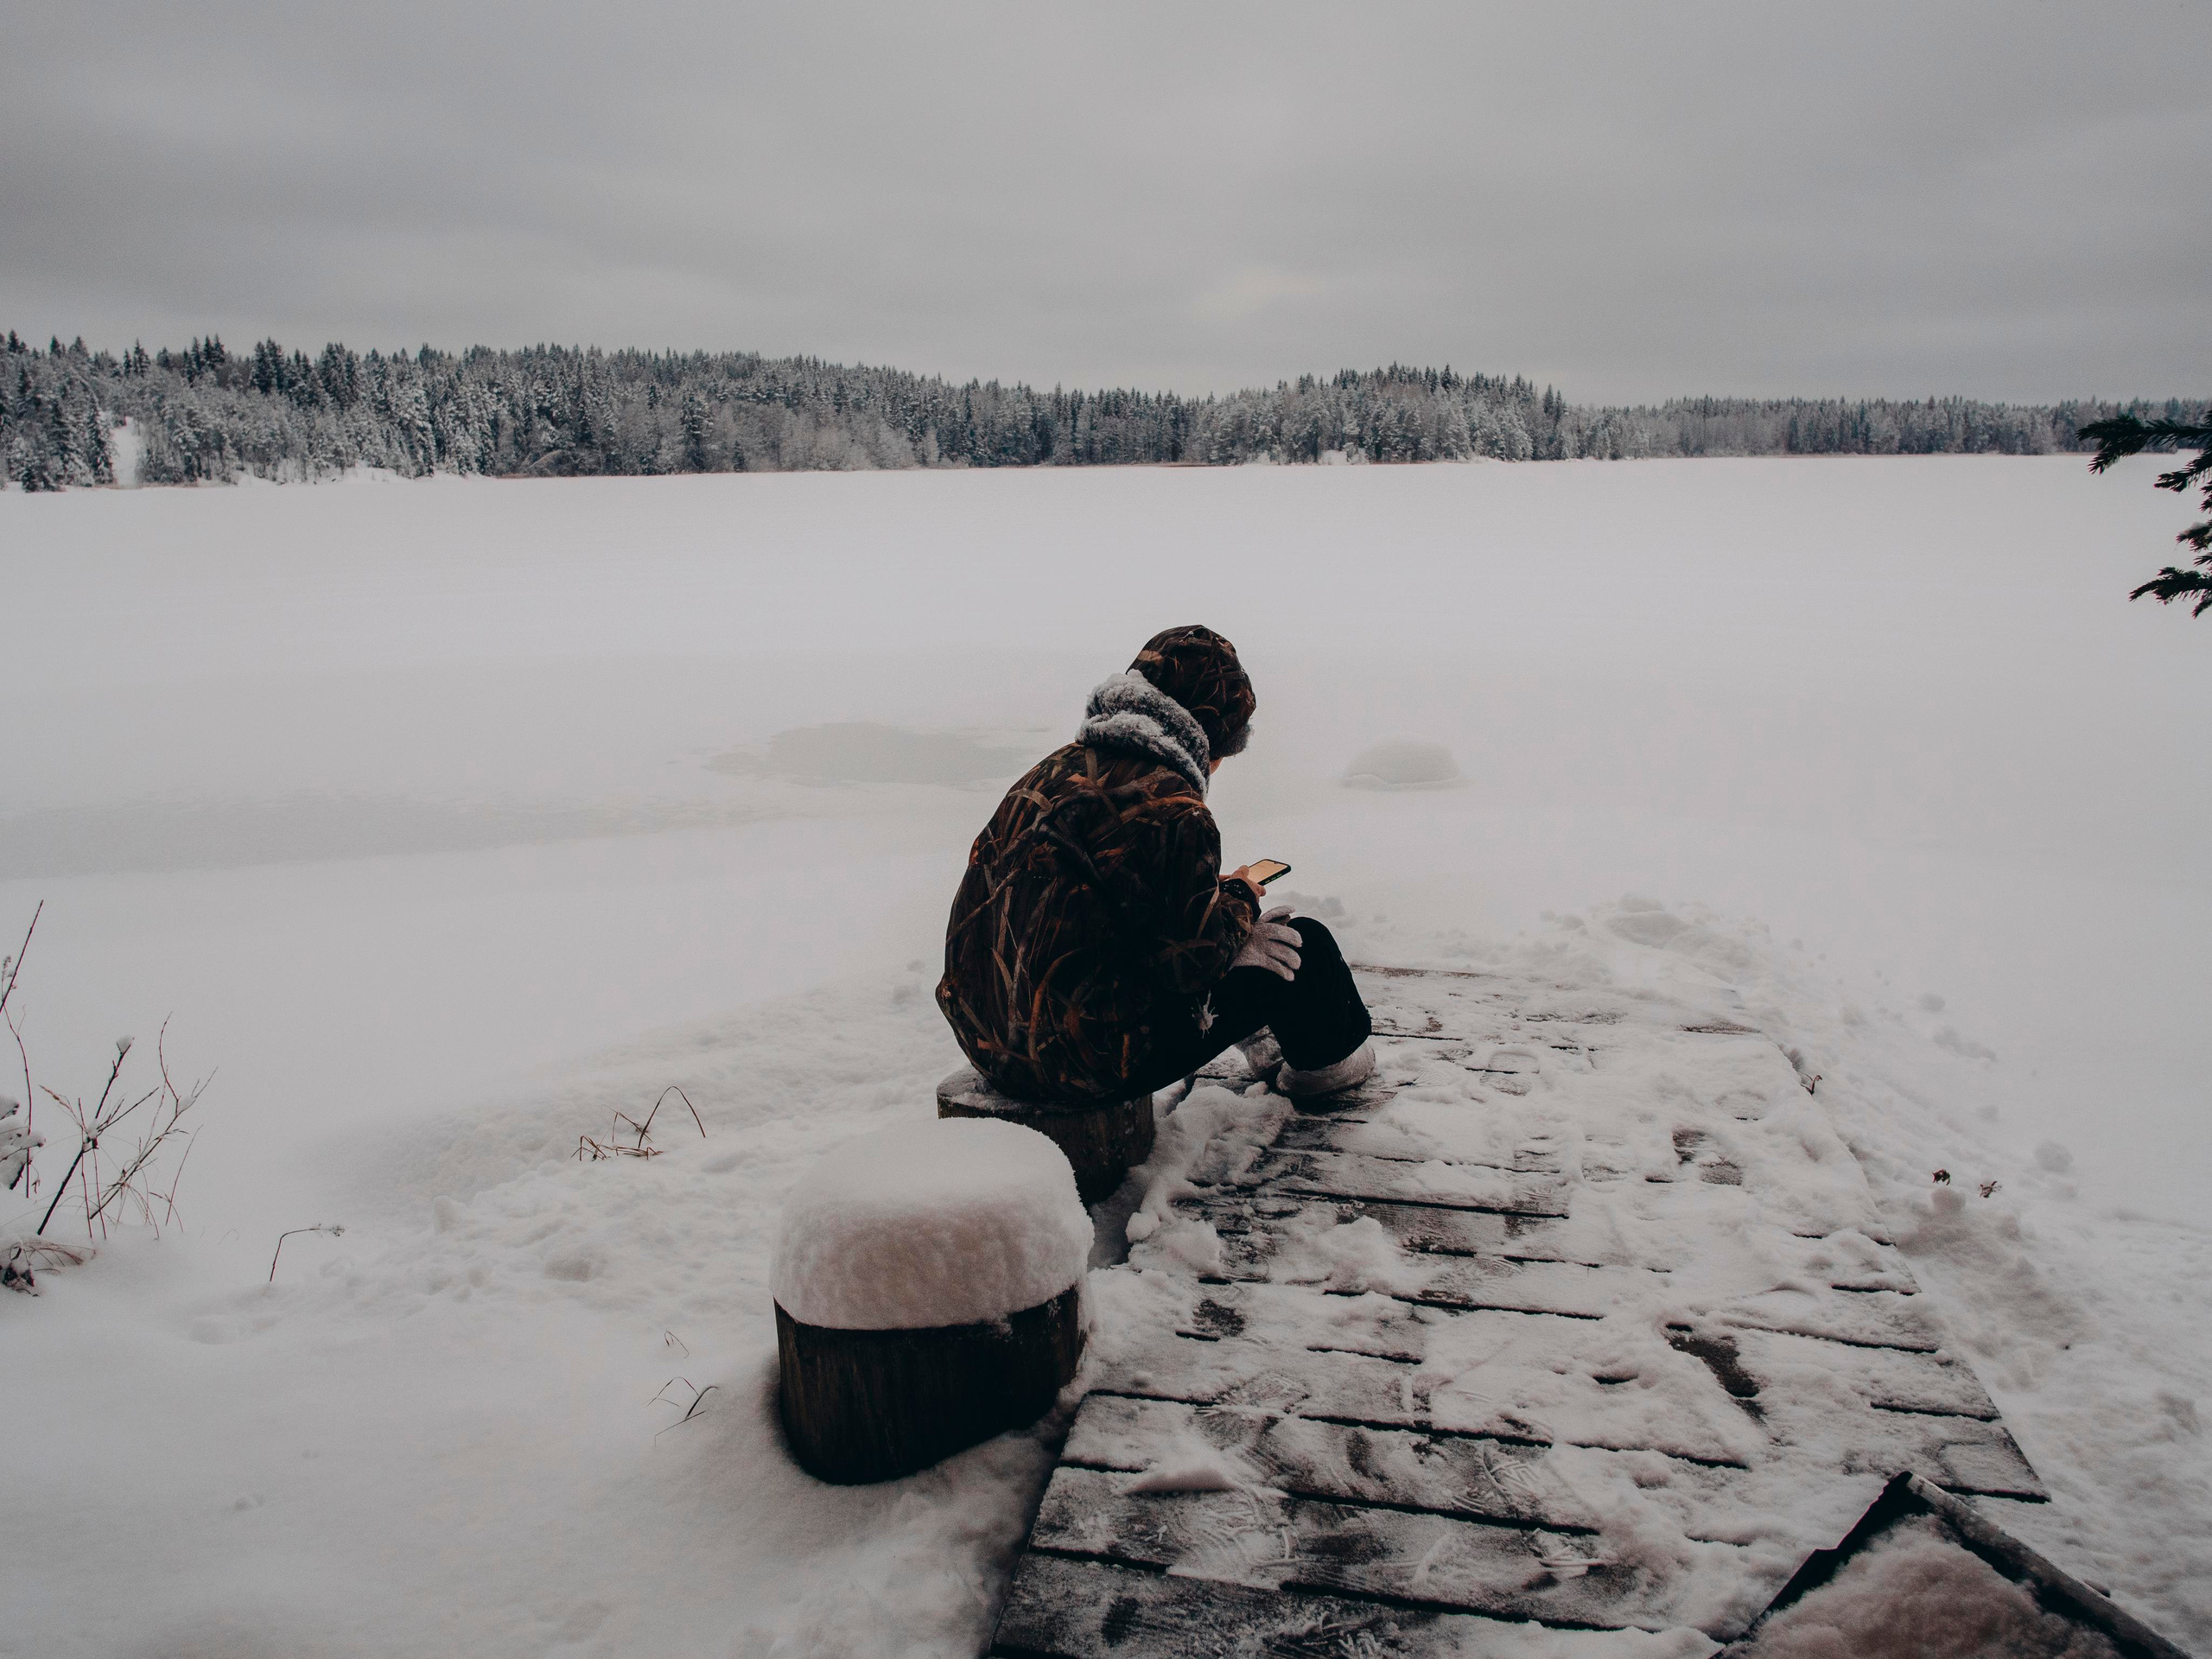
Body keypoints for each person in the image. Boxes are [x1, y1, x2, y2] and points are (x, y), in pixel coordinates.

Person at [936, 625, 1376, 1107]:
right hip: (1083, 1066)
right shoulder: (1174, 808)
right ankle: (1329, 1069)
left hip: (988, 1044)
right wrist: (1241, 896)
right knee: (1302, 941)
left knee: (1231, 934)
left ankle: (1261, 1033)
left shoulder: (1048, 773)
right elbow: (1195, 961)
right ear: (1211, 739)